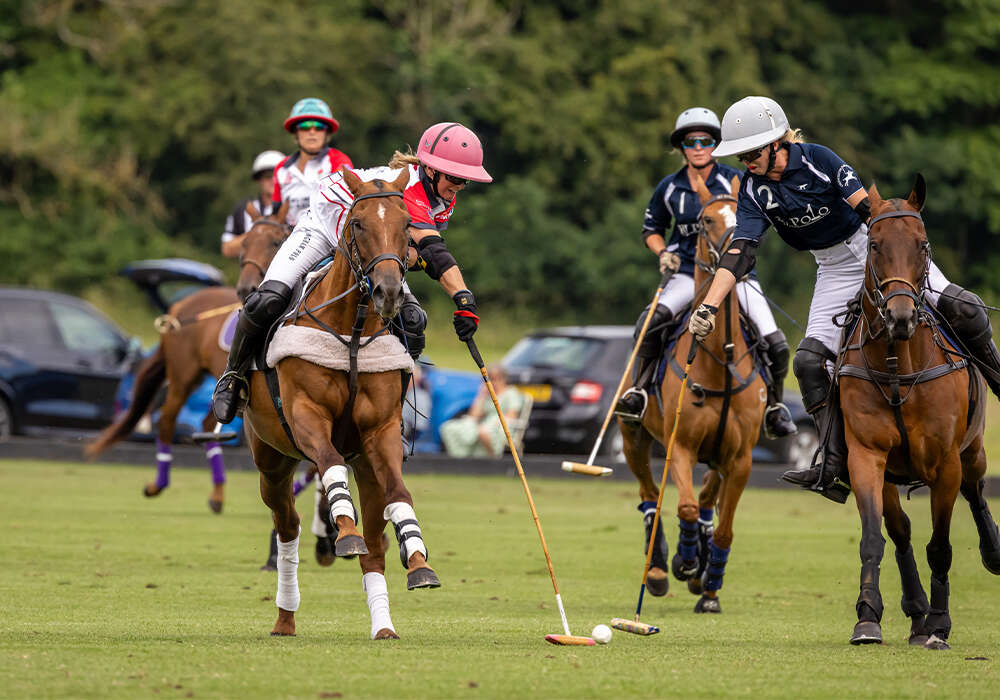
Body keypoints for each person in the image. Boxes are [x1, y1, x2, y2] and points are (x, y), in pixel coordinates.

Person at [686, 95, 1000, 502]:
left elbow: (871, 214)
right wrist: (708, 305)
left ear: (777, 143)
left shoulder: (819, 159)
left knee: (966, 309)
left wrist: (897, 263)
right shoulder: (753, 189)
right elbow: (741, 250)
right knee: (809, 362)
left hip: (876, 252)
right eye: (741, 155)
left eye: (751, 153)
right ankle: (832, 462)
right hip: (832, 267)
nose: (746, 161)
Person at [211, 121, 493, 425]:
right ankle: (231, 377)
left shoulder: (443, 199)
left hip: (369, 239)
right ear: (431, 170)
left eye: (465, 180)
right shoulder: (410, 189)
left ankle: (390, 410)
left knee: (412, 320)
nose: (459, 186)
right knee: (267, 299)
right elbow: (433, 250)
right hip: (323, 224)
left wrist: (418, 260)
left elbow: (414, 252)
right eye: (454, 177)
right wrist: (463, 299)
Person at [614, 107, 797, 439]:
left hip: (738, 276)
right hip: (688, 274)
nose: (698, 146)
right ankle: (639, 392)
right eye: (691, 141)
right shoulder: (668, 187)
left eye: (706, 140)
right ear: (681, 147)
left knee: (776, 342)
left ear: (716, 144)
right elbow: (652, 228)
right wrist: (663, 253)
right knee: (649, 324)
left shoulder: (736, 179)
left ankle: (774, 406)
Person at [272, 97, 354, 228]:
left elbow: (344, 208)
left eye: (319, 127)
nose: (312, 132)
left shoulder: (339, 161)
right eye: (304, 127)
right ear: (295, 133)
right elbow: (276, 214)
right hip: (289, 237)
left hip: (329, 239)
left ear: (326, 133)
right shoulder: (281, 168)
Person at [440, 365, 525, 457]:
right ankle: (460, 457)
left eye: (494, 379)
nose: (491, 382)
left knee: (482, 432)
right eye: (488, 380)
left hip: (501, 426)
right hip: (484, 424)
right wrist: (481, 395)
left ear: (502, 379)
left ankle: (492, 457)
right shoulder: (488, 395)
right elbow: (474, 415)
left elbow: (512, 415)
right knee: (449, 428)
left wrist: (492, 423)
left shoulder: (511, 393)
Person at [220, 150, 285, 258]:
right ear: (259, 179)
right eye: (268, 176)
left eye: (278, 175)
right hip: (254, 272)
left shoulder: (296, 207)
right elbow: (227, 249)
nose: (273, 180)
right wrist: (261, 232)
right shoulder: (244, 208)